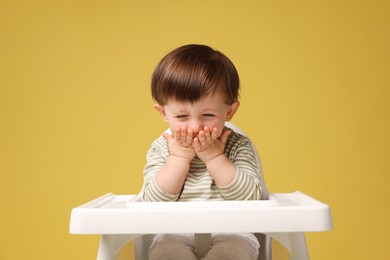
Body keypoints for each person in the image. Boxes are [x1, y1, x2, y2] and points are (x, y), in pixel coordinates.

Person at [142, 44, 262, 260]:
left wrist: (215, 157)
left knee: (232, 253)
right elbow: (151, 204)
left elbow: (250, 198)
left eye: (207, 115)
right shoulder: (161, 148)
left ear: (229, 111)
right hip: (174, 231)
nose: (195, 126)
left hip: (233, 230)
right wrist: (178, 158)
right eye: (181, 117)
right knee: (166, 253)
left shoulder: (237, 145)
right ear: (163, 113)